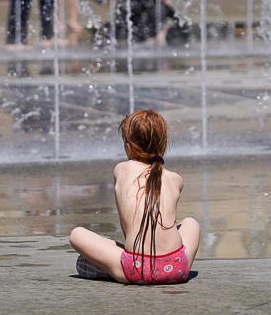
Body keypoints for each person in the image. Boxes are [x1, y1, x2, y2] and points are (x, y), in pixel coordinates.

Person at [68, 109, 201, 284]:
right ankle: (124, 264)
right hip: (177, 269)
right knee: (191, 222)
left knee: (76, 234)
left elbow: (127, 227)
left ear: (128, 147)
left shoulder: (122, 169)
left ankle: (111, 266)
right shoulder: (176, 179)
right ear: (163, 144)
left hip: (136, 269)